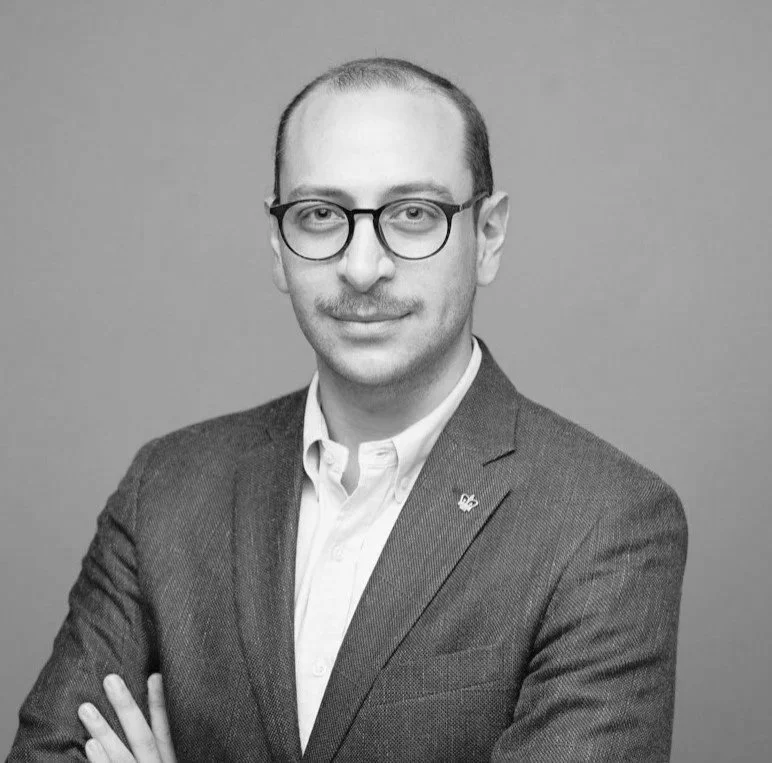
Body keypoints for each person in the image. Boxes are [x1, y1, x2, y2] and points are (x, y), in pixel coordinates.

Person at [10, 57, 688, 762]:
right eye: (319, 215)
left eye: (414, 214)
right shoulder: (167, 489)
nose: (363, 267)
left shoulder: (607, 518)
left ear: (487, 235)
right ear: (278, 244)